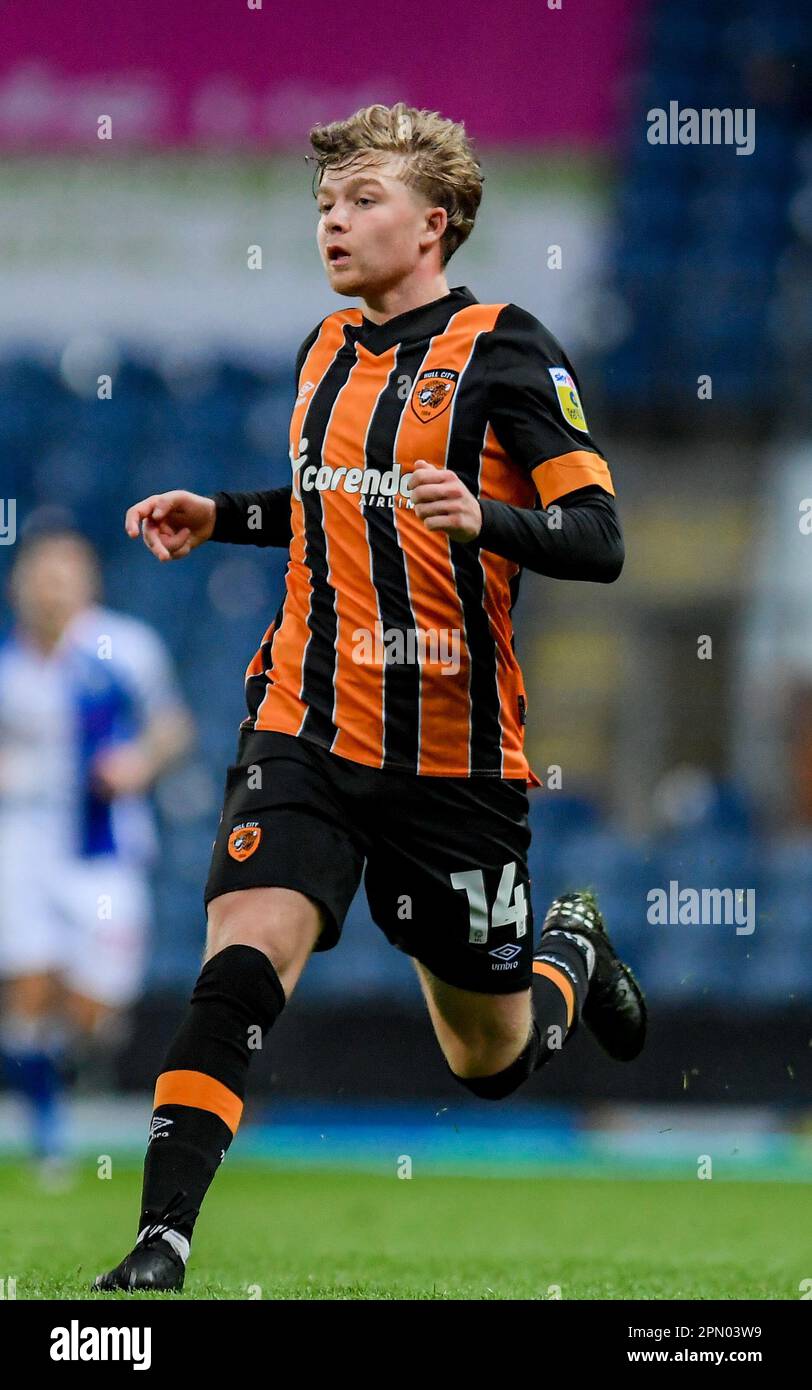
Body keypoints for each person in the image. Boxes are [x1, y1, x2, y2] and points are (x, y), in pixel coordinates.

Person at [94, 101, 646, 1292]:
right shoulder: (323, 351)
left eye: (361, 202)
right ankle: (161, 1240)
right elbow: (332, 506)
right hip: (304, 719)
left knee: (488, 1058)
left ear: (433, 223)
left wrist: (487, 517)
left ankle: (567, 952)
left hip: (451, 754)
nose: (333, 224)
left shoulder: (507, 350)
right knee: (243, 960)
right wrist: (226, 513)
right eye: (323, 207)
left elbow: (599, 538)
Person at [0, 526, 193, 1182]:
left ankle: (69, 1062)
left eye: (64, 575)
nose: (50, 589)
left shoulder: (123, 649)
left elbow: (171, 726)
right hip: (22, 845)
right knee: (26, 984)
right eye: (39, 575)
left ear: (88, 585)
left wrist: (140, 762)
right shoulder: (7, 662)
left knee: (97, 1007)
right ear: (18, 585)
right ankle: (48, 1135)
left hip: (105, 849)